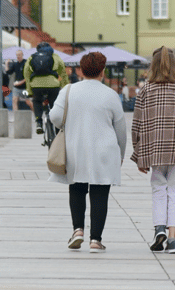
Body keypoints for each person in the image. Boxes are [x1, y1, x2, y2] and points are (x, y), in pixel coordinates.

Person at [49, 51, 127, 253]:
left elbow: (55, 116)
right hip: (104, 149)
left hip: (75, 146)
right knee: (100, 193)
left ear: (81, 70)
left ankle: (77, 230)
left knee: (76, 188)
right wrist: (120, 154)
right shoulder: (110, 94)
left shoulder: (68, 90)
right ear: (102, 71)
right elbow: (120, 129)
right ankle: (96, 240)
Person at [131, 47, 175, 254]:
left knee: (158, 189)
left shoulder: (145, 89)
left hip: (154, 148)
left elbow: (137, 124)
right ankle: (172, 239)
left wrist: (138, 154)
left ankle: (159, 228)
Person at [24, 42, 67, 134]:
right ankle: (57, 129)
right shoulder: (55, 56)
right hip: (53, 86)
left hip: (36, 86)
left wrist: (29, 90)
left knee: (37, 101)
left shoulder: (32, 57)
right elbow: (63, 73)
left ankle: (39, 122)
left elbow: (26, 73)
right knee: (55, 104)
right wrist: (65, 87)